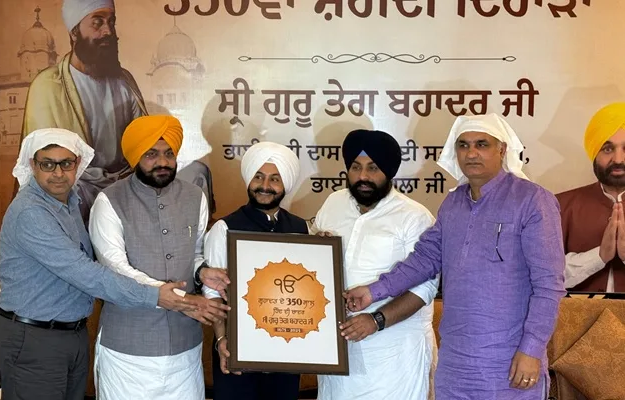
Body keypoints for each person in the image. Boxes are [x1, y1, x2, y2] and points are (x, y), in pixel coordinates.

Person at [0, 128, 226, 400]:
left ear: (78, 163)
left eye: (66, 163)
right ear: (33, 165)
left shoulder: (68, 202)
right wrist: (163, 297)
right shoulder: (31, 212)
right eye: (48, 164)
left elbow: (192, 253)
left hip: (69, 334)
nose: (58, 173)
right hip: (33, 337)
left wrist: (200, 271)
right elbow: (87, 273)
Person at [345, 114, 566, 399]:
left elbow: (549, 286)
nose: (471, 153)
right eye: (463, 145)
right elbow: (424, 259)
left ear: (502, 149)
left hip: (508, 362)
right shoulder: (453, 203)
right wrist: (373, 291)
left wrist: (532, 349)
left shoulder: (532, 200)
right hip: (455, 364)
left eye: (482, 144)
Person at [87, 115, 229, 399]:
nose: (162, 162)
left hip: (184, 349)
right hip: (127, 352)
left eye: (169, 154)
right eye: (151, 154)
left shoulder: (195, 197)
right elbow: (115, 270)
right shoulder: (109, 201)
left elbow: (194, 252)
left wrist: (201, 272)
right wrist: (182, 301)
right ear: (135, 157)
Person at [311, 129, 439, 400]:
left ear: (389, 172)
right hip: (339, 349)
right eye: (355, 167)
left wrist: (376, 320)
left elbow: (425, 289)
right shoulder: (333, 203)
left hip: (395, 356)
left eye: (373, 168)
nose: (363, 177)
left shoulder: (414, 216)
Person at [21, 0, 147, 223]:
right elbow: (45, 168)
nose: (108, 31)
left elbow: (144, 144)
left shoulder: (125, 81)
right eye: (97, 23)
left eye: (111, 22)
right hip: (78, 188)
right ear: (74, 32)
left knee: (195, 174)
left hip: (125, 186)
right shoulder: (47, 86)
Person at [203, 141, 307, 400]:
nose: (265, 185)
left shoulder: (302, 229)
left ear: (285, 184)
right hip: (236, 351)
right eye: (258, 177)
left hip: (286, 353)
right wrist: (222, 340)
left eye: (275, 179)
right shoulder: (224, 229)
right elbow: (212, 295)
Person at [557, 102, 625, 295]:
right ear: (594, 152)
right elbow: (543, 273)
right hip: (573, 314)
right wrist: (598, 256)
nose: (618, 159)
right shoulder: (560, 205)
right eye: (607, 149)